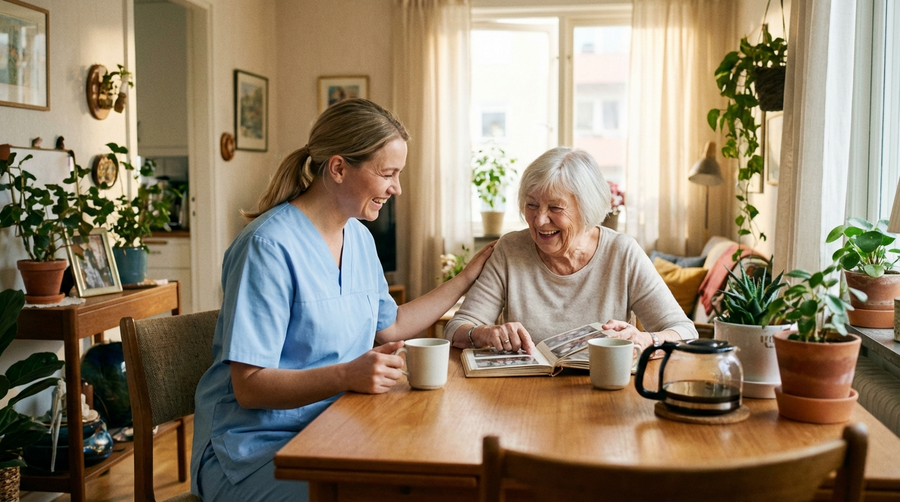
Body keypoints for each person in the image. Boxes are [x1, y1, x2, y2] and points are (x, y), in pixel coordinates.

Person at [191, 98, 494, 502]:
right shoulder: (267, 247)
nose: (396, 188)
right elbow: (249, 387)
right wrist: (346, 376)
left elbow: (391, 326)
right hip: (254, 453)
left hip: (336, 428)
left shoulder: (359, 238)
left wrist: (467, 277)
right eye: (388, 173)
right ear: (337, 168)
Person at [444, 146, 697, 355]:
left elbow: (685, 331)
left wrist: (646, 339)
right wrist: (485, 333)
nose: (539, 220)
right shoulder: (510, 250)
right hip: (524, 394)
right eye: (532, 205)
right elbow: (455, 328)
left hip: (603, 390)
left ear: (587, 209)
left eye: (555, 208)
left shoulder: (622, 253)